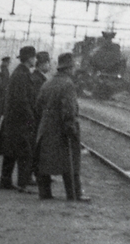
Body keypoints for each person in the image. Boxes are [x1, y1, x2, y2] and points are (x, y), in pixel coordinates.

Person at [34, 53, 90, 202]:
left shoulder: (47, 83)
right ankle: (74, 194)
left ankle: (44, 193)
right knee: (71, 162)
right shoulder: (68, 85)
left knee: (44, 161)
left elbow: (38, 105)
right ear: (69, 68)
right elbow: (69, 110)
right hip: (62, 130)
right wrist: (71, 129)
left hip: (46, 128)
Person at [0, 45, 39, 193]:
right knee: (24, 152)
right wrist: (30, 117)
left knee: (11, 152)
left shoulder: (19, 72)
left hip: (13, 120)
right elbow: (22, 100)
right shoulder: (22, 74)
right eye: (34, 57)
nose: (35, 60)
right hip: (20, 121)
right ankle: (22, 183)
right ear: (30, 59)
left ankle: (5, 181)